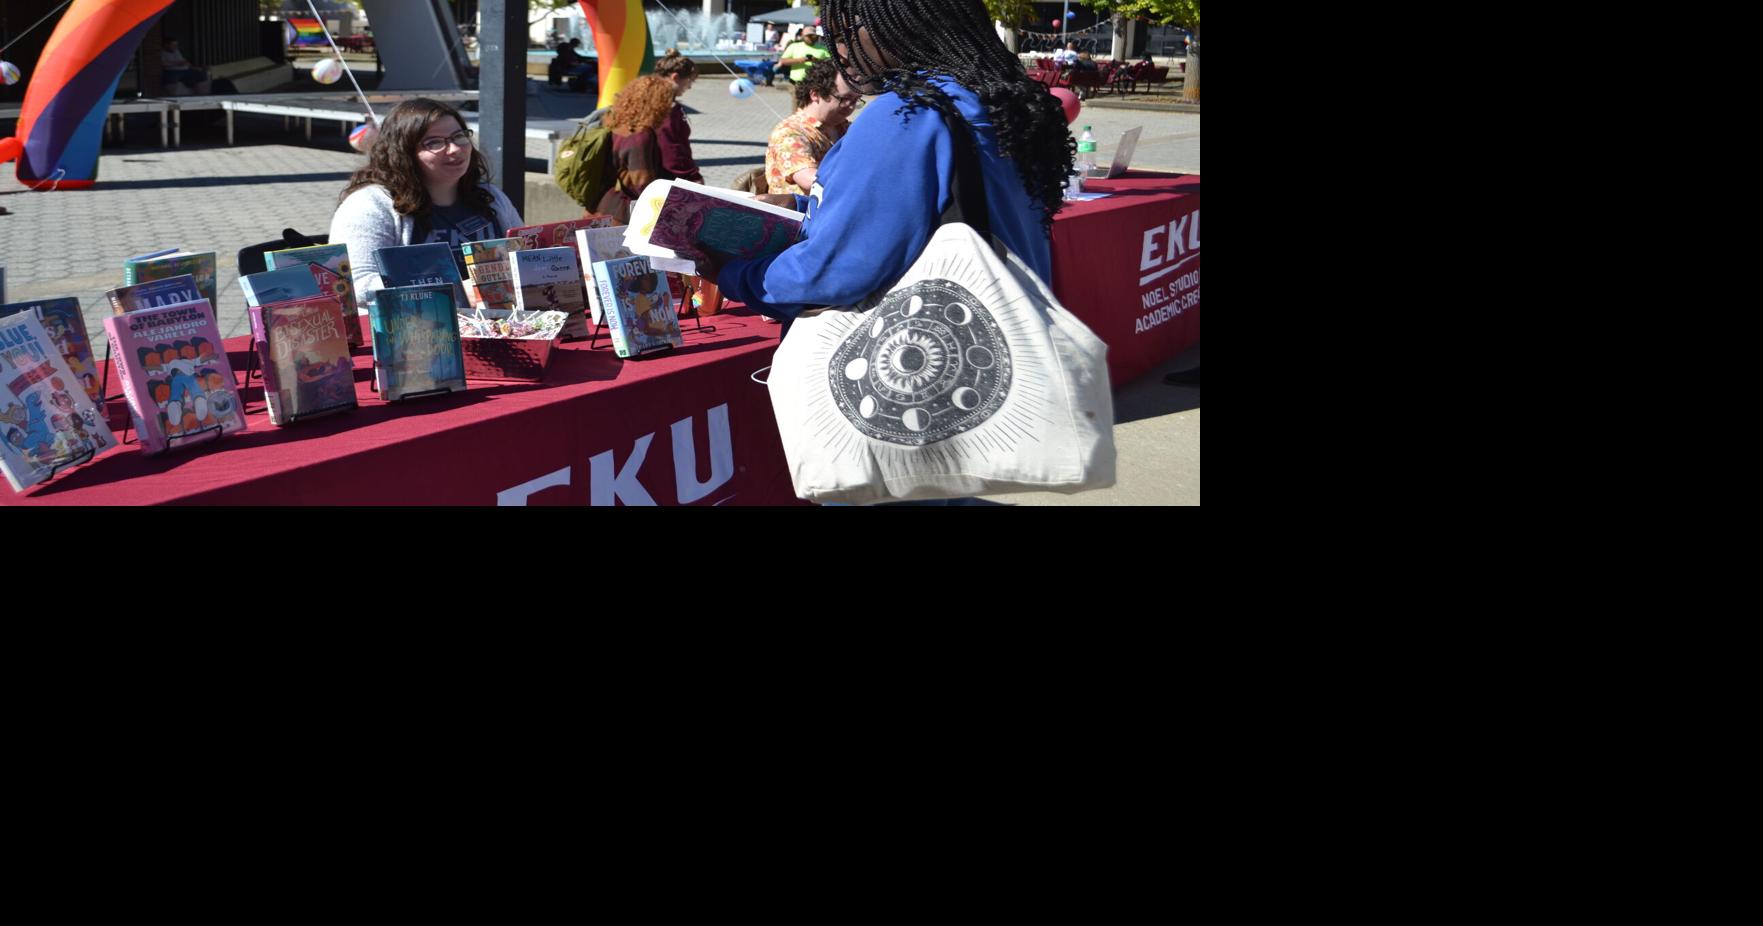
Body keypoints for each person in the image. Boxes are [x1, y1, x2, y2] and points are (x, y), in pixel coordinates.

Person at [711, 0, 1073, 326]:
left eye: (844, 33)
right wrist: (805, 205)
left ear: (902, 21)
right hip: (1017, 327)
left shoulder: (906, 113)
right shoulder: (995, 99)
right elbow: (930, 207)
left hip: (937, 354)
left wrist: (735, 274)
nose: (839, 52)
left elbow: (835, 270)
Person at [330, 98, 524, 307]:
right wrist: (455, 292)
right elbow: (353, 284)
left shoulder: (491, 197)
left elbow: (524, 256)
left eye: (459, 136)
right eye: (434, 142)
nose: (454, 149)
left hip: (503, 323)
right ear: (404, 152)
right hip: (416, 326)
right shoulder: (370, 205)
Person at [764, 60, 860, 195]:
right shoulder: (790, 132)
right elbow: (809, 181)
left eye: (856, 100)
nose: (851, 106)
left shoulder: (845, 128)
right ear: (815, 94)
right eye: (844, 99)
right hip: (800, 208)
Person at [592, 75, 679, 223]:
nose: (671, 106)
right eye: (668, 101)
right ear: (656, 103)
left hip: (602, 206)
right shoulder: (640, 136)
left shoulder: (615, 123)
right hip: (622, 214)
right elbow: (643, 184)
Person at [652, 49, 705, 184]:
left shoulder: (649, 100)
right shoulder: (667, 109)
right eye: (689, 81)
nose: (689, 87)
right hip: (667, 178)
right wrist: (692, 177)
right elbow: (671, 150)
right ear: (675, 77)